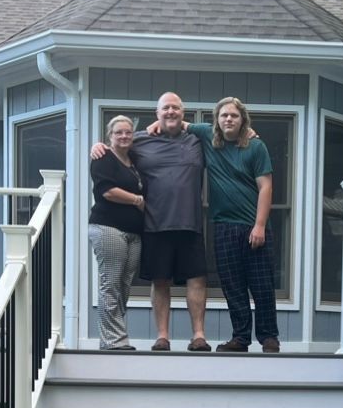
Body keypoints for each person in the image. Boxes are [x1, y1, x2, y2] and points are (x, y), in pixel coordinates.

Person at [185, 97, 278, 353]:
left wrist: (259, 226)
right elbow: (177, 123)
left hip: (253, 226)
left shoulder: (256, 147)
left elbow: (266, 187)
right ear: (217, 119)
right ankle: (240, 338)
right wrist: (152, 127)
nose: (228, 119)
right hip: (223, 226)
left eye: (234, 116)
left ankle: (269, 338)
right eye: (224, 115)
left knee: (262, 285)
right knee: (233, 286)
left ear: (242, 120)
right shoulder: (207, 135)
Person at [127, 92, 210, 352]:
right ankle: (162, 336)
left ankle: (198, 336)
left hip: (190, 223)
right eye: (165, 108)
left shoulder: (198, 140)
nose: (170, 112)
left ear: (183, 113)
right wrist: (98, 147)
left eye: (175, 108)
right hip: (155, 223)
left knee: (196, 279)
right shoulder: (139, 140)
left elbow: (222, 131)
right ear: (157, 113)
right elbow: (115, 146)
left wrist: (248, 132)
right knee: (160, 281)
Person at [87, 114, 145, 350]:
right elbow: (107, 191)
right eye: (118, 132)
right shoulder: (103, 158)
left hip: (134, 233)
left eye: (128, 132)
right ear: (109, 136)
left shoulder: (134, 160)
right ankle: (113, 341)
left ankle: (115, 336)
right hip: (108, 228)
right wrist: (137, 200)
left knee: (123, 285)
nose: (124, 136)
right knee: (110, 284)